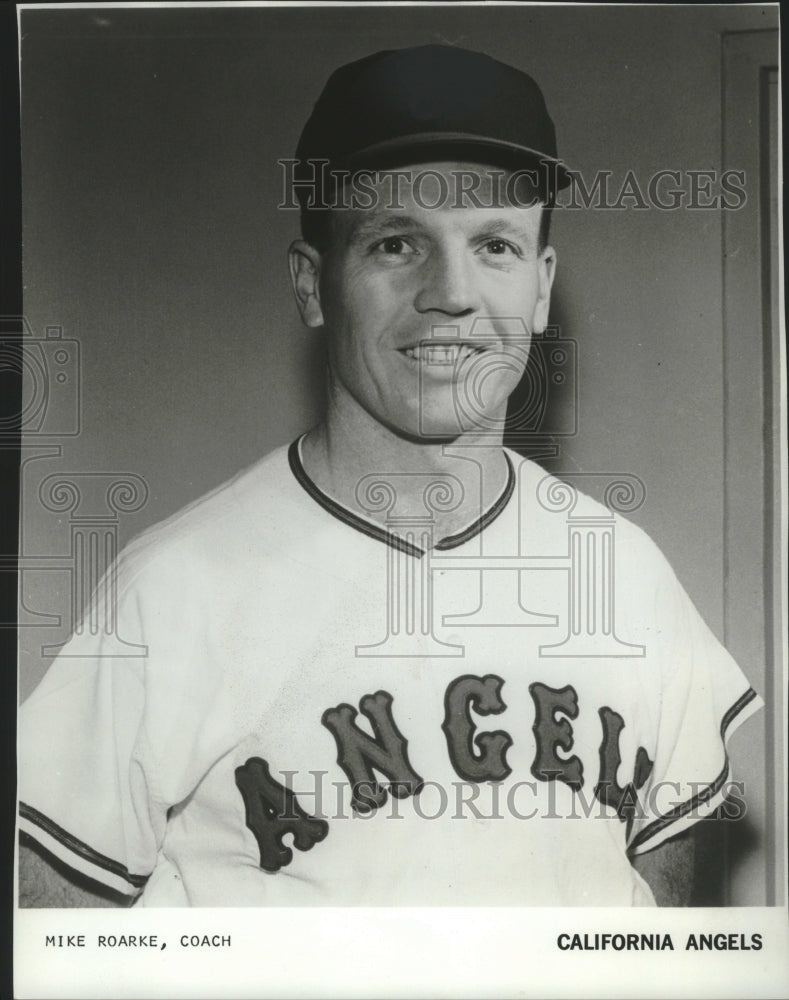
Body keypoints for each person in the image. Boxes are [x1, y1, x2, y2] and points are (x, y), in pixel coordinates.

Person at [18, 44, 761, 908]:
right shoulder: (171, 592)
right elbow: (51, 936)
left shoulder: (627, 575)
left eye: (494, 244)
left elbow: (673, 924)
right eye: (396, 242)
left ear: (542, 286)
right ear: (313, 285)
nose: (451, 292)